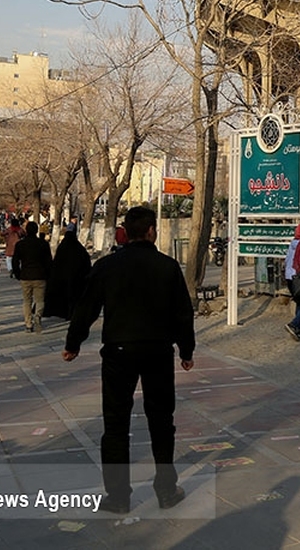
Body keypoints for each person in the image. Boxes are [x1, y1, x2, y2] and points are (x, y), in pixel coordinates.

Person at [64, 205, 195, 515]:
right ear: (151, 231)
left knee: (115, 423)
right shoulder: (167, 267)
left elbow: (86, 306)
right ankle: (166, 490)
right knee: (161, 421)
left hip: (118, 351)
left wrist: (73, 343)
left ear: (125, 232)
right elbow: (182, 313)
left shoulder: (107, 266)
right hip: (157, 351)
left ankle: (118, 496)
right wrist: (186, 351)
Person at [44, 224, 91, 321]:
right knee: (74, 296)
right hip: (77, 278)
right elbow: (86, 263)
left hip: (62, 279)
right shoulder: (79, 248)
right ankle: (72, 312)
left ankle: (64, 312)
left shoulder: (62, 248)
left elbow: (56, 263)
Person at [15, 222, 53, 333]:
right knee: (40, 300)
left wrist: (17, 273)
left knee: (27, 301)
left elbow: (15, 260)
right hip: (40, 276)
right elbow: (49, 261)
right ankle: (38, 316)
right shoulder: (43, 244)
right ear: (36, 231)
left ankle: (28, 323)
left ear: (26, 230)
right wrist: (49, 274)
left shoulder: (20, 244)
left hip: (25, 275)